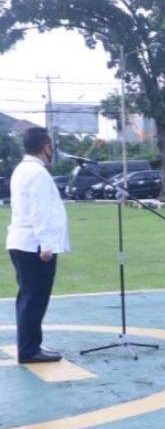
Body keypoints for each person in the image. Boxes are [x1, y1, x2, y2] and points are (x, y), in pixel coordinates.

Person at [5, 127, 69, 363]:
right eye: (51, 145)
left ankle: (30, 345)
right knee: (35, 298)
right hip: (33, 245)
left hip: (22, 242)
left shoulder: (23, 169)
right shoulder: (37, 173)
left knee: (28, 297)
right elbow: (39, 212)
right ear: (46, 146)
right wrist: (46, 245)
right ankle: (30, 349)